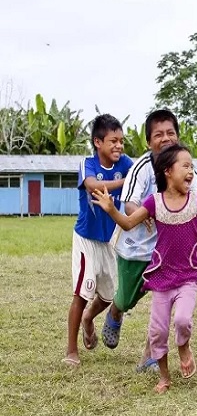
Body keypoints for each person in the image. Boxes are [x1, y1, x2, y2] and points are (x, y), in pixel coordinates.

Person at [92, 143, 197, 394]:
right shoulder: (154, 202)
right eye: (186, 166)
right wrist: (112, 208)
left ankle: (184, 347)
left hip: (187, 276)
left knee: (182, 320)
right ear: (168, 171)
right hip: (161, 277)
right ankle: (165, 377)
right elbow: (127, 223)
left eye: (192, 166)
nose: (191, 172)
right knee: (157, 332)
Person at [104, 109, 197, 373]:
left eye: (170, 133)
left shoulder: (186, 168)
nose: (165, 138)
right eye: (159, 135)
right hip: (136, 249)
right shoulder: (142, 168)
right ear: (149, 142)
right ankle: (115, 310)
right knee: (127, 299)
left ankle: (150, 356)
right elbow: (130, 203)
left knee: (164, 306)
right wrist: (142, 215)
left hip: (168, 253)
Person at [63, 115, 133, 367]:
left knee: (109, 295)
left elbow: (140, 180)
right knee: (83, 291)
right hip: (86, 240)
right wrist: (126, 181)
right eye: (113, 141)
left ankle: (88, 319)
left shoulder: (125, 163)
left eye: (121, 141)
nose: (119, 146)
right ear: (98, 142)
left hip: (109, 240)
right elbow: (93, 186)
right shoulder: (88, 164)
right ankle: (71, 350)